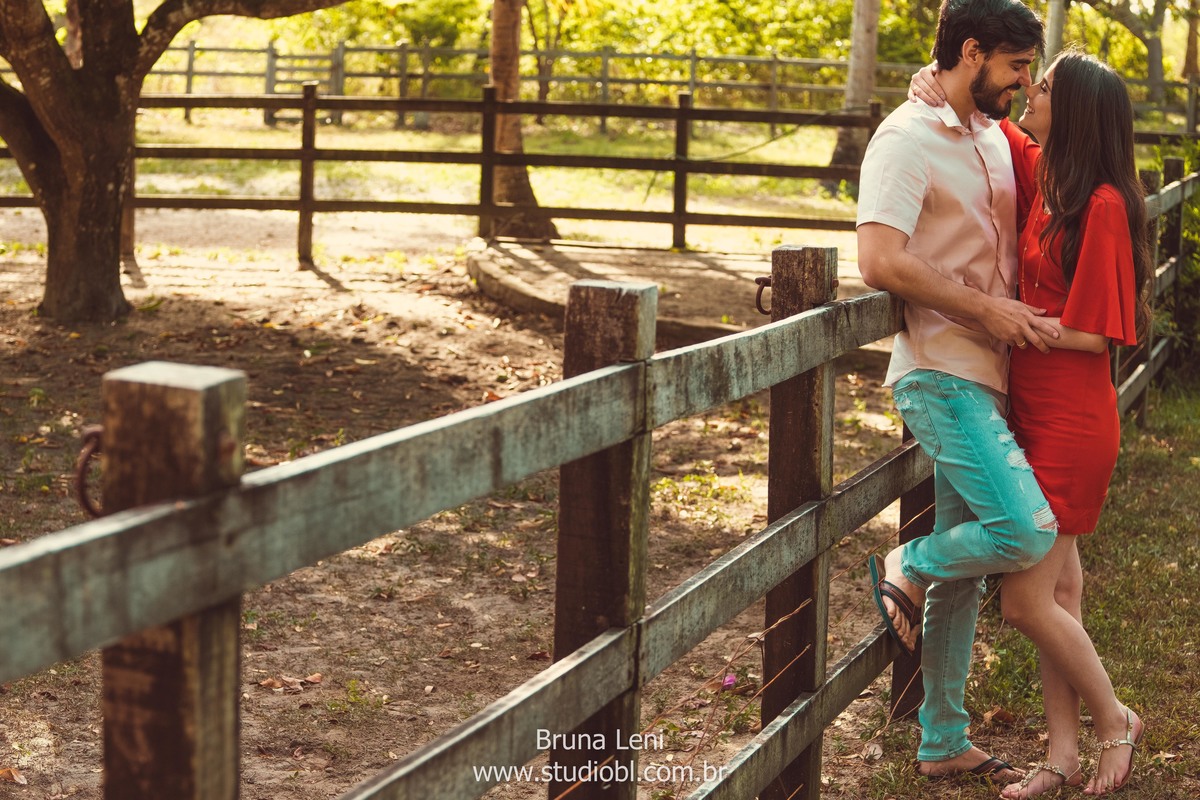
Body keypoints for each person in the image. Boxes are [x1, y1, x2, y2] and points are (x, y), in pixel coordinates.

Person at [909, 49, 1149, 798]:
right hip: (1030, 410)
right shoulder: (1043, 170)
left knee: (1023, 601)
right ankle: (1061, 757)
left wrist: (1011, 321)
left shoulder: (1102, 204)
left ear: (1071, 110)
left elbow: (1099, 333)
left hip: (1073, 419)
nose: (1027, 91)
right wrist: (932, 78)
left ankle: (1115, 720)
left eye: (1040, 87)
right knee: (1060, 598)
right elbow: (977, 101)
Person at [855, 0, 1063, 783]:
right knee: (1024, 533)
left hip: (990, 374)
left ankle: (942, 738)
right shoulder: (904, 139)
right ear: (972, 52)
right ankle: (905, 561)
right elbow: (879, 259)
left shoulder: (987, 134)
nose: (1021, 82)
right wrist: (988, 310)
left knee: (966, 576)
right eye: (1014, 67)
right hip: (941, 372)